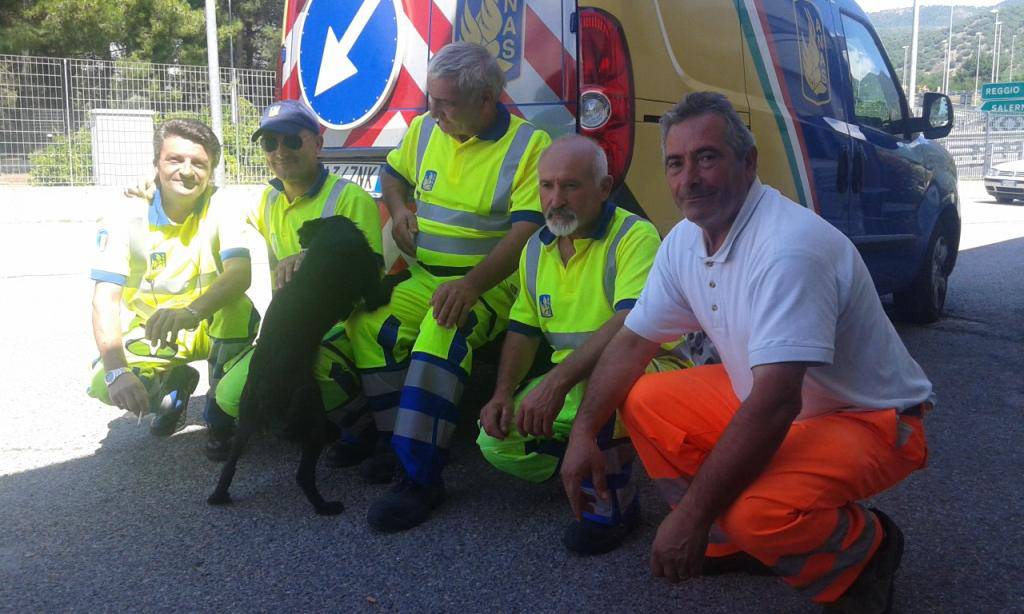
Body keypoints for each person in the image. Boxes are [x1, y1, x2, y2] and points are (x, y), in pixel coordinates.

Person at [560, 92, 932, 612]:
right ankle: (729, 541)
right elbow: (631, 343)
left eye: (707, 157)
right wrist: (583, 432)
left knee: (758, 513)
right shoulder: (685, 241)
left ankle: (863, 553)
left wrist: (687, 515)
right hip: (775, 399)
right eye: (675, 162)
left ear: (749, 162)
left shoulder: (787, 249)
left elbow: (776, 403)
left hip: (870, 417)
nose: (689, 177)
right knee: (643, 398)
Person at [346, 41, 551, 532]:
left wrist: (473, 285)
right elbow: (392, 174)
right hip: (424, 276)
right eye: (430, 99)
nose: (432, 111)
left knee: (441, 334)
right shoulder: (424, 129)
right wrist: (398, 212)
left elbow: (525, 232)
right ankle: (395, 443)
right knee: (372, 325)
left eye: (445, 103)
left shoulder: (529, 146)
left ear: (486, 100)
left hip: (492, 288)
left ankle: (421, 478)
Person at [476, 135, 692, 555]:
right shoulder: (536, 248)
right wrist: (502, 393)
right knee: (495, 440)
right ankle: (594, 465)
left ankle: (614, 504)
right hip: (575, 381)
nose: (556, 199)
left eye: (571, 186)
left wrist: (554, 384)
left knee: (622, 397)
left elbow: (630, 324)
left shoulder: (635, 235)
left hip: (645, 369)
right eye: (547, 186)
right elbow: (523, 329)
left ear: (604, 188)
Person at [212, 99, 384, 462]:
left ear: (318, 145)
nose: (280, 151)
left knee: (276, 386)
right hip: (293, 325)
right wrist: (154, 189)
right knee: (229, 396)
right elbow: (214, 207)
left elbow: (371, 281)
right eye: (269, 143)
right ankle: (300, 417)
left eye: (292, 141)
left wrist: (318, 260)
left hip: (341, 323)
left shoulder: (349, 199)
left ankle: (362, 413)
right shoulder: (269, 199)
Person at [88, 119, 259, 443]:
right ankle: (173, 389)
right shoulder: (124, 215)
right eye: (175, 160)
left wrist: (191, 312)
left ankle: (219, 412)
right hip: (158, 333)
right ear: (156, 165)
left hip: (208, 326)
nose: (187, 170)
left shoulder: (224, 204)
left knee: (237, 306)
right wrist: (116, 371)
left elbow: (239, 273)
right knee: (103, 382)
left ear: (210, 172)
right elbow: (104, 300)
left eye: (199, 163)